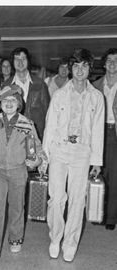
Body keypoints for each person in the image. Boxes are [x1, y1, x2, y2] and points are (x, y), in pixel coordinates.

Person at [43, 48, 105, 262]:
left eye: (84, 66)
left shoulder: (97, 97)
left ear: (90, 68)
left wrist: (97, 160)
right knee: (56, 198)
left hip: (82, 152)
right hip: (59, 150)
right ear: (70, 69)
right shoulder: (60, 94)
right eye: (76, 66)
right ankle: (55, 238)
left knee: (78, 200)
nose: (80, 71)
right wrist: (45, 156)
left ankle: (70, 243)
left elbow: (98, 130)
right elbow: (49, 127)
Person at [0, 84, 47, 265]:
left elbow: (36, 147)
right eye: (5, 100)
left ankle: (15, 237)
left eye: (13, 100)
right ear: (0, 103)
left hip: (18, 171)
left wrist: (38, 159)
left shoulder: (27, 124)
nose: (9, 103)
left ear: (19, 103)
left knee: (17, 207)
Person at [93, 48, 117, 231]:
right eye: (109, 60)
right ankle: (96, 212)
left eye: (116, 60)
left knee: (114, 177)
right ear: (104, 64)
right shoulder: (96, 85)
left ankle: (110, 217)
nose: (112, 63)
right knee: (97, 173)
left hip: (114, 134)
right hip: (98, 133)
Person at [3, 47, 50, 141]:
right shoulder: (7, 85)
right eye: (17, 59)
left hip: (36, 135)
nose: (20, 62)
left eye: (23, 58)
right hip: (14, 137)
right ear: (13, 62)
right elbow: (3, 114)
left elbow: (48, 113)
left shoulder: (40, 84)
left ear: (28, 61)